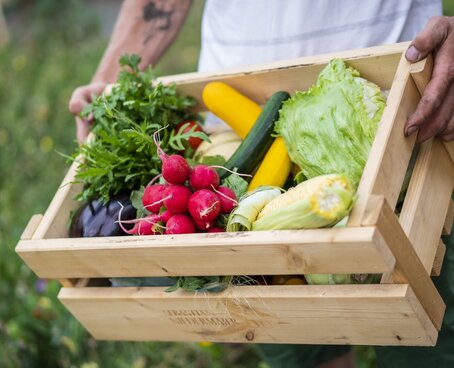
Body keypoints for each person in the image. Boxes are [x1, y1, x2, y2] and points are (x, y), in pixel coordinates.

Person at [69, 1, 454, 367]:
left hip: (405, 113)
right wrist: (107, 87)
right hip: (230, 119)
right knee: (305, 356)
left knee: (429, 348)